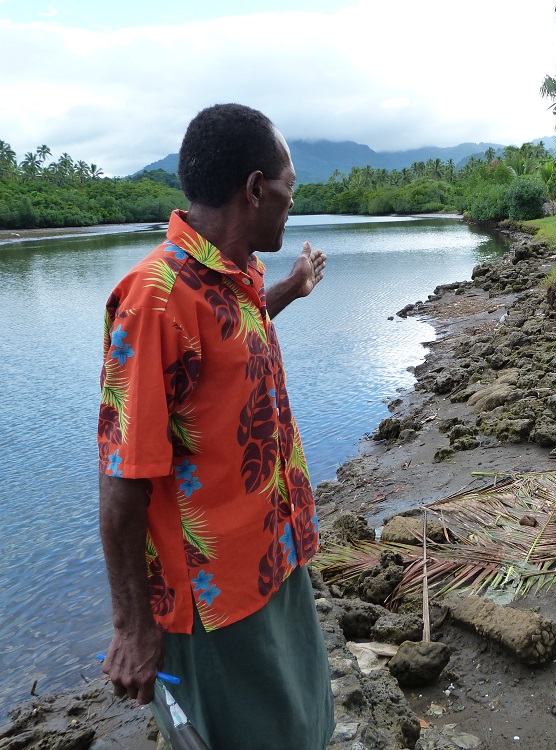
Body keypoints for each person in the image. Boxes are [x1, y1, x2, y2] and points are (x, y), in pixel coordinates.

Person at [97, 103, 335, 749]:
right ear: (256, 189)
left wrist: (289, 288)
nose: (293, 202)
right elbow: (124, 476)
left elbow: (228, 346)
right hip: (211, 597)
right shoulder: (155, 302)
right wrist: (131, 625)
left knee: (302, 724)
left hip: (273, 553)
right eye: (289, 187)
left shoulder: (237, 274)